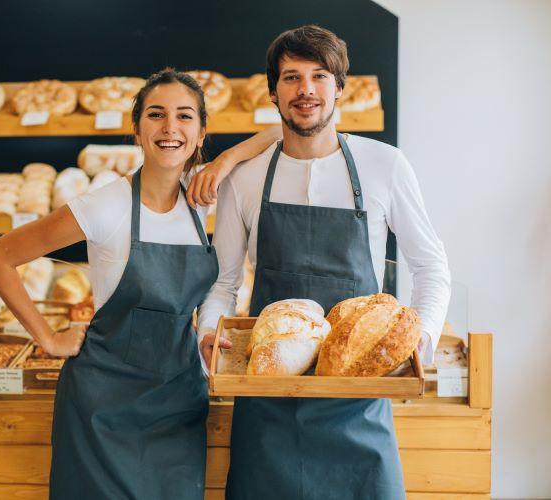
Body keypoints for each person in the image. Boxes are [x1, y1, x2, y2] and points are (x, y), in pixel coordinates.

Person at [192, 25, 451, 499]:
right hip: (267, 402)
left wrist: (422, 341)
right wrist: (211, 331)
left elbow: (431, 266)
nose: (306, 89)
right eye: (291, 77)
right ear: (273, 92)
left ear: (339, 88)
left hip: (358, 403)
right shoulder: (245, 180)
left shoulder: (384, 165)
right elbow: (223, 283)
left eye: (319, 76)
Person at [0, 68, 218, 500]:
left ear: (202, 132)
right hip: (102, 406)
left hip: (179, 399)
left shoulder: (203, 202)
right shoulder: (104, 205)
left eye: (185, 117)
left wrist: (230, 160)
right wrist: (48, 338)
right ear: (136, 130)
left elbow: (273, 141)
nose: (170, 128)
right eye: (155, 115)